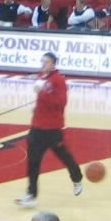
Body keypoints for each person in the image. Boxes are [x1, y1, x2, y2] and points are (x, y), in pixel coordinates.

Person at [15, 52, 83, 208]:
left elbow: (60, 103)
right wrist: (37, 106)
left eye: (46, 62)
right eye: (42, 61)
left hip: (52, 129)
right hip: (37, 127)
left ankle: (77, 177)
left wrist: (43, 94)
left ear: (53, 64)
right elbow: (43, 99)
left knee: (64, 156)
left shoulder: (58, 80)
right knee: (33, 161)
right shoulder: (41, 76)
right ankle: (31, 195)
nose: (43, 64)